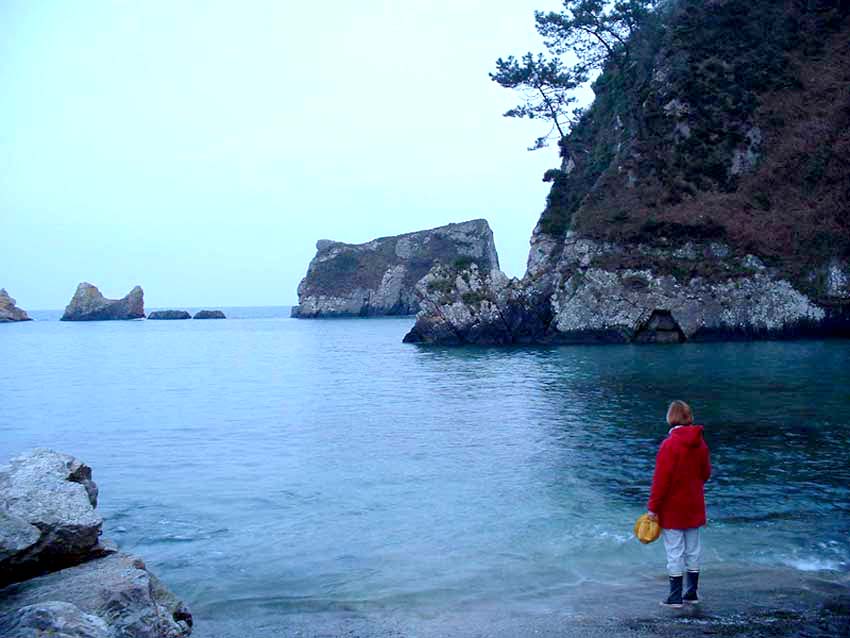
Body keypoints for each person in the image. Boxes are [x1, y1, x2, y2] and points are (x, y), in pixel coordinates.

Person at [646, 400, 711, 608]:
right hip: (694, 505)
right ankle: (691, 594)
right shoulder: (701, 443)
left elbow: (660, 480)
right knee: (693, 550)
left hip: (673, 508)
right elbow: (706, 474)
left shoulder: (669, 444)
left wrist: (653, 508)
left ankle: (675, 597)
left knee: (675, 551)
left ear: (671, 417)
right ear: (689, 416)